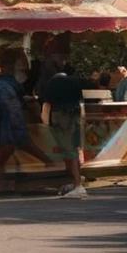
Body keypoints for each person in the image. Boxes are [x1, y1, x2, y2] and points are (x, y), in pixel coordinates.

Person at [0, 54, 52, 197]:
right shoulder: (11, 83)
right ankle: (51, 164)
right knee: (25, 146)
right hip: (15, 121)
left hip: (7, 123)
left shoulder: (0, 84)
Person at [42, 65, 87, 198]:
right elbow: (81, 103)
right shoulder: (74, 82)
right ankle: (76, 182)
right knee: (74, 149)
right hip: (75, 117)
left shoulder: (52, 83)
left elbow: (47, 105)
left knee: (69, 152)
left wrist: (46, 123)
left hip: (60, 118)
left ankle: (78, 185)